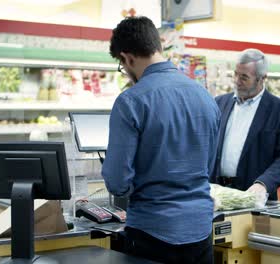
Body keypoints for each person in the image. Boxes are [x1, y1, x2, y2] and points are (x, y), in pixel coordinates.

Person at [102, 16, 220, 264]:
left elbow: (116, 180)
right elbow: (207, 166)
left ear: (127, 58)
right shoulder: (205, 97)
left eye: (122, 66)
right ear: (158, 46)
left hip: (151, 232)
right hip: (200, 231)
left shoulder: (130, 102)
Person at [210, 48, 280, 201]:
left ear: (262, 78)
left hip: (254, 198)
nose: (237, 81)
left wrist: (263, 184)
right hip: (217, 194)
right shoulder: (219, 104)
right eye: (235, 74)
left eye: (244, 77)